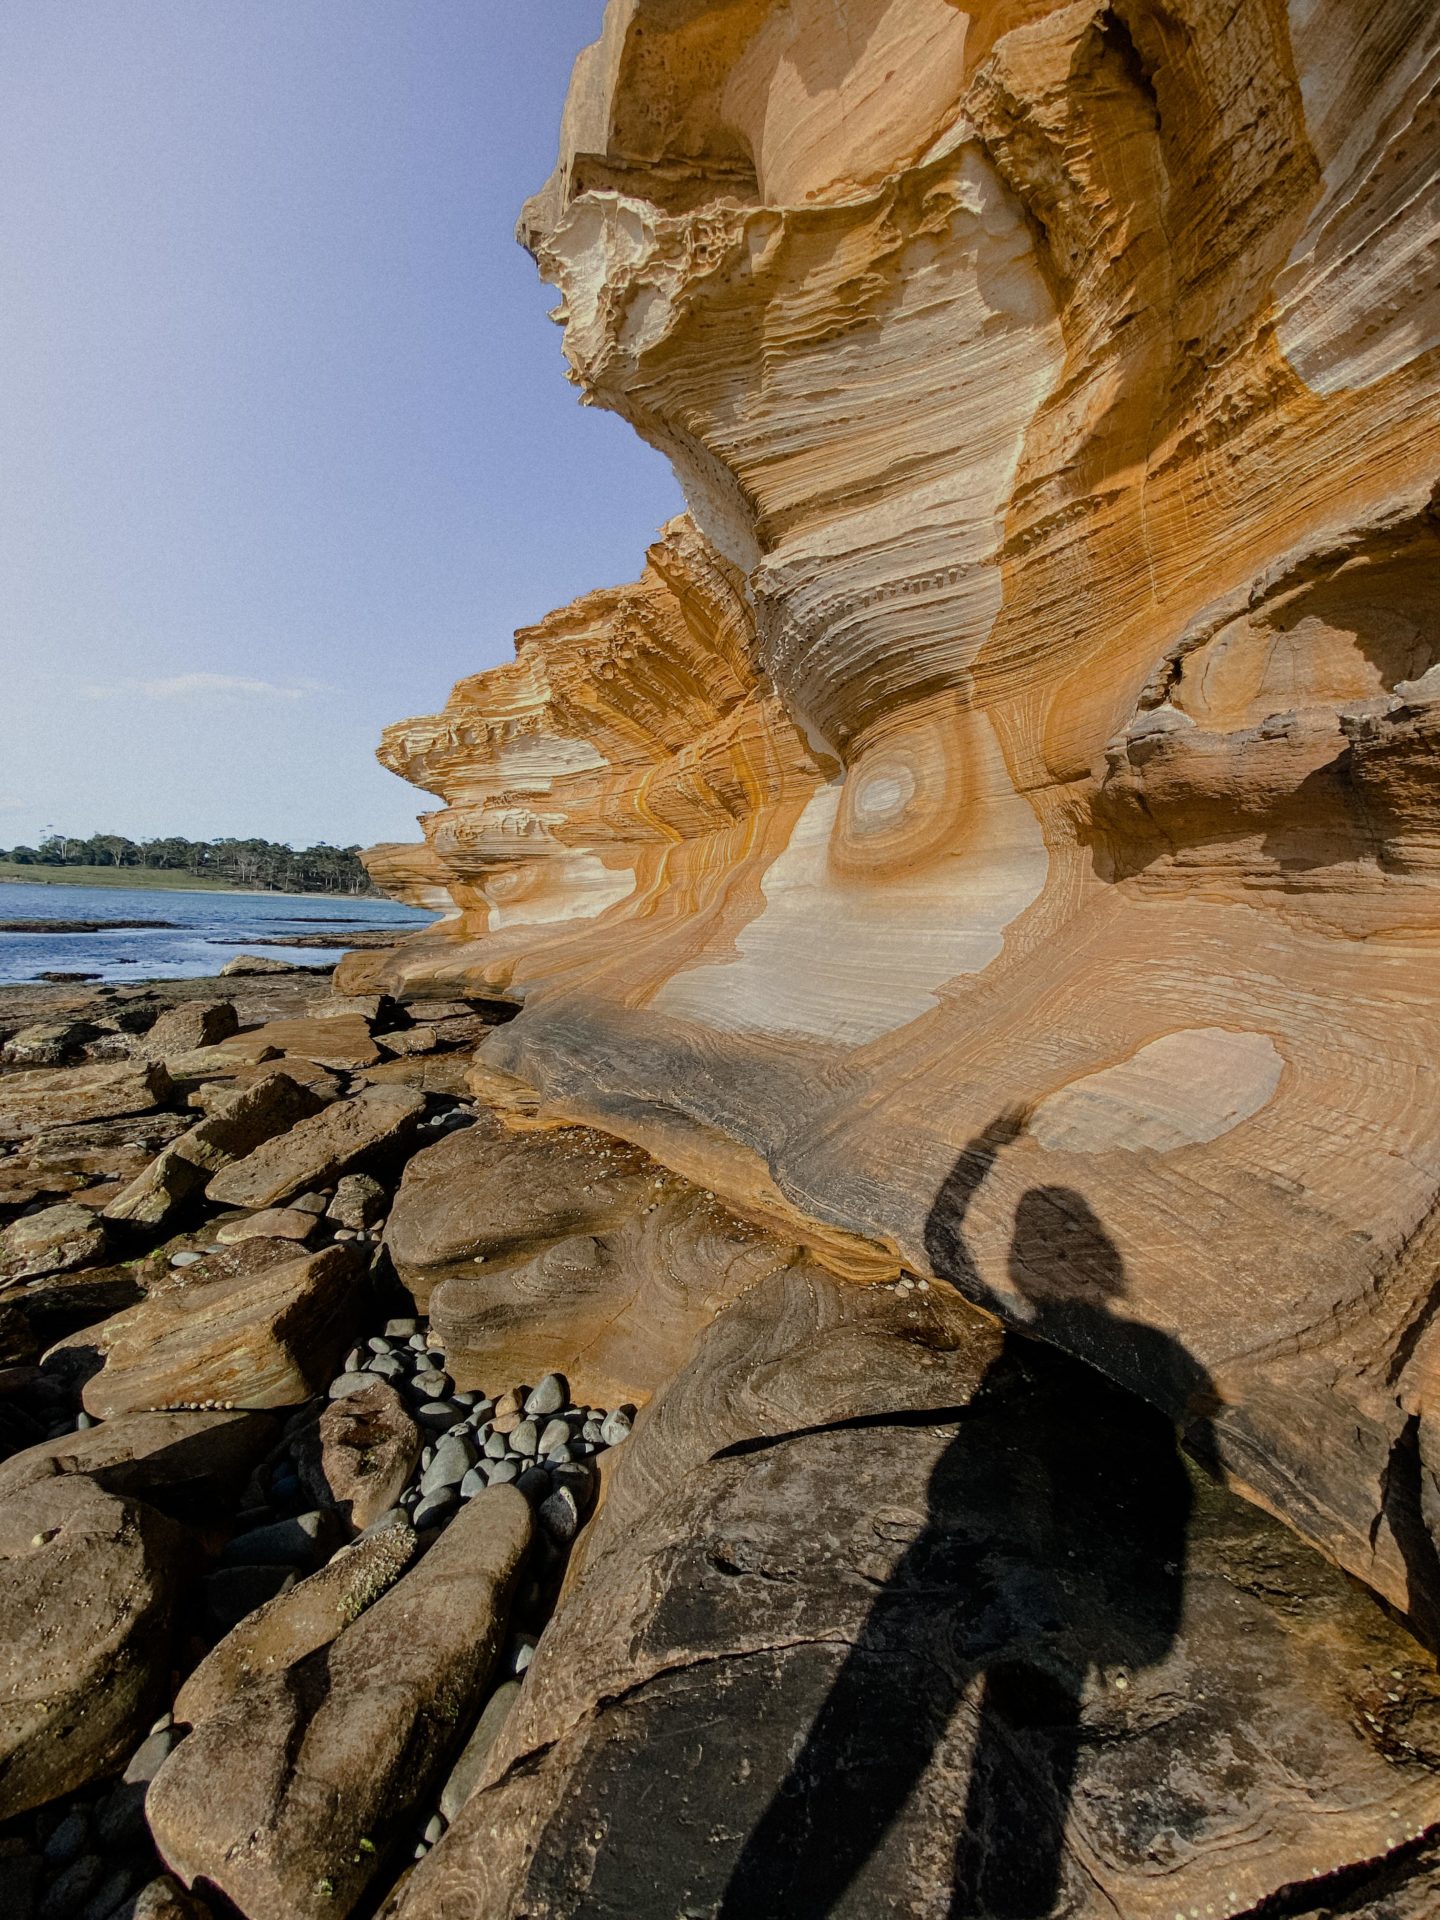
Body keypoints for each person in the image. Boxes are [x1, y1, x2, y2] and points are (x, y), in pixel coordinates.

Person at [721, 1115, 1217, 1918]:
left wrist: (980, 1155)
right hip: (1051, 1598)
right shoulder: (1154, 1350)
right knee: (1004, 1806)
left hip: (961, 1569)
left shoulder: (1071, 1335)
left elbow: (945, 1241)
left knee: (854, 1783)